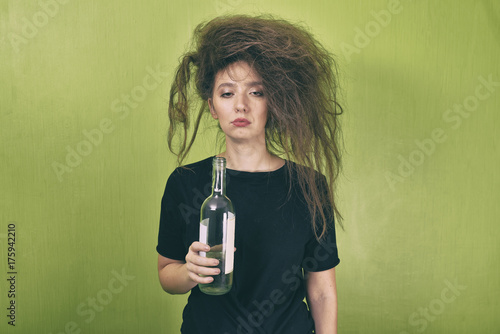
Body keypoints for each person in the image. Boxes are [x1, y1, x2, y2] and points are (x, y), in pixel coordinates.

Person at [157, 14, 344, 334]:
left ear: (274, 102)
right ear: (213, 107)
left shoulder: (310, 186)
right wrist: (190, 271)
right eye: (227, 93)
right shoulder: (186, 182)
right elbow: (166, 274)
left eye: (256, 92)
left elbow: (322, 291)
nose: (241, 105)